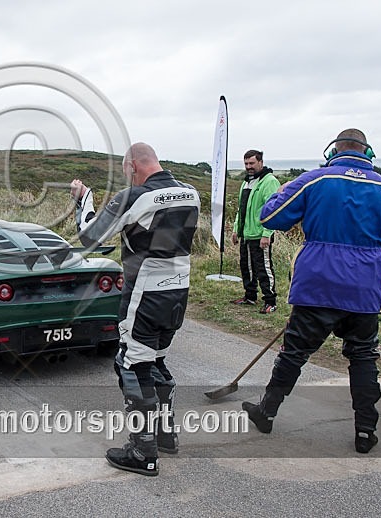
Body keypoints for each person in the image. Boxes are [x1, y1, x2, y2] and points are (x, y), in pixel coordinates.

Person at [242, 129, 381, 454]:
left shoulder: (314, 179)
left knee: (295, 352)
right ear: (367, 152)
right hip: (364, 288)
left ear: (334, 151)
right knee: (363, 357)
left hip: (317, 282)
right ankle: (365, 431)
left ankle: (267, 411)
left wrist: (284, 189)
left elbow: (269, 217)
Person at [70, 142, 199, 476]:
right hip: (178, 289)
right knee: (156, 360)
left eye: (127, 170)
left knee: (131, 364)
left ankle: (143, 452)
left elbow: (89, 237)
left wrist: (82, 200)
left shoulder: (133, 197)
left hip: (144, 292)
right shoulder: (190, 192)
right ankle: (164, 434)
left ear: (132, 165)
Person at [230, 150, 280, 314]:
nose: (249, 167)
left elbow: (274, 209)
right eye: (246, 164)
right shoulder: (246, 182)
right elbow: (241, 209)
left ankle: (270, 301)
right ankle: (250, 296)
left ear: (260, 162)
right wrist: (236, 230)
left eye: (252, 163)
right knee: (246, 267)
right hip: (246, 234)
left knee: (263, 268)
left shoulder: (269, 181)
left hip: (260, 235)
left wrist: (267, 233)